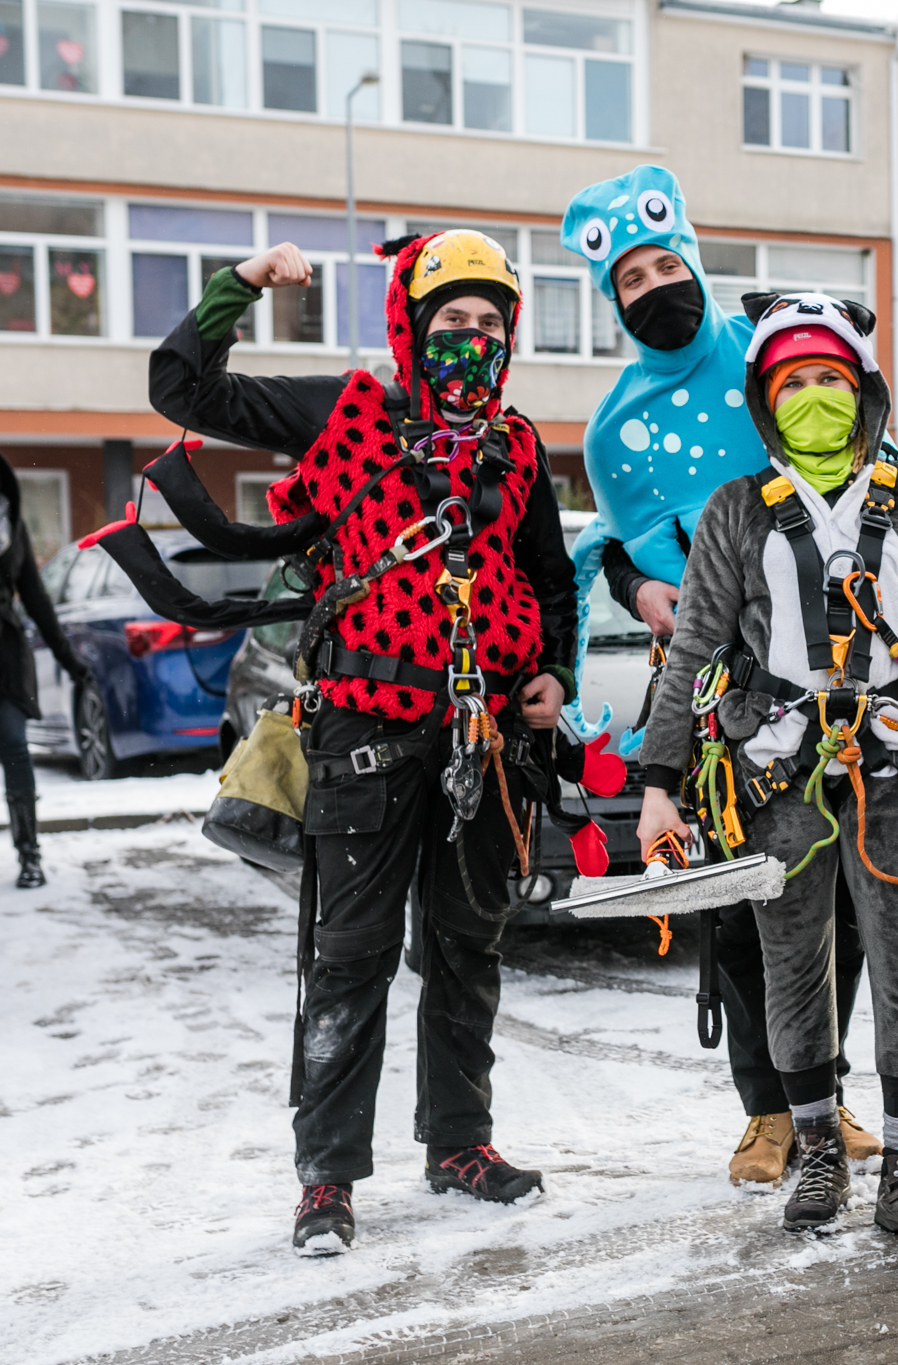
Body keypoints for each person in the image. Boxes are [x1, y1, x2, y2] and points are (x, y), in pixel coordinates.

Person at [144, 231, 578, 1255]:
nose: (468, 342)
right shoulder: (342, 412)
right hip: (365, 734)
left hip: (484, 735)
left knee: (467, 948)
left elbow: (547, 575)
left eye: (487, 325)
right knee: (349, 958)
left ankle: (459, 1144)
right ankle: (327, 1178)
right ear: (411, 329)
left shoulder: (516, 448)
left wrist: (551, 670)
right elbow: (181, 386)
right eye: (449, 324)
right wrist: (239, 284)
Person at [634, 292, 898, 1255]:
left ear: (865, 393)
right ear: (766, 403)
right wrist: (659, 782)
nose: (815, 398)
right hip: (777, 778)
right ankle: (817, 1142)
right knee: (793, 966)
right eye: (794, 384)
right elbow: (691, 649)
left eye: (830, 380)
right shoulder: (737, 511)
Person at [558, 166, 880, 1186]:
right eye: (630, 279)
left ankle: (825, 1093)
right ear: (611, 301)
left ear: (693, 259)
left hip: (838, 676)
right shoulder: (615, 433)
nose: (656, 288)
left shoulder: (778, 352)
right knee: (742, 900)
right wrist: (637, 586)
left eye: (666, 264)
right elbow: (631, 555)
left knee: (844, 894)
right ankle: (769, 1113)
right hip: (722, 704)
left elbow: (876, 474)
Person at [0, 457, 86, 887]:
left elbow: (36, 599)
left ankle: (29, 855)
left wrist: (69, 660)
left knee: (15, 749)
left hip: (5, 662)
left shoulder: (10, 527)